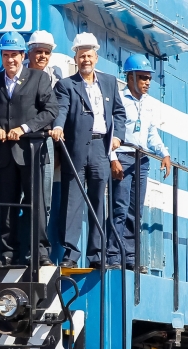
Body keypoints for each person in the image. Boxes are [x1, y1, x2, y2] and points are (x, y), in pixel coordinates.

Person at [51, 33, 125, 269]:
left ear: (96, 57)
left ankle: (96, 254)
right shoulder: (66, 85)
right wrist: (58, 126)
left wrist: (118, 138)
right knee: (72, 202)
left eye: (89, 56)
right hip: (75, 149)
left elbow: (119, 113)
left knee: (98, 203)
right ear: (76, 57)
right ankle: (71, 253)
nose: (86, 60)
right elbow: (61, 109)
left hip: (101, 148)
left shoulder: (110, 83)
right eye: (81, 56)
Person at [0, 31, 58, 267]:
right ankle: (6, 253)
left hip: (31, 151)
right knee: (7, 205)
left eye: (14, 55)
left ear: (22, 56)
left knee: (36, 205)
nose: (10, 60)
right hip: (5, 155)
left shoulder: (38, 78)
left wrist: (25, 128)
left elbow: (50, 111)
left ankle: (39, 253)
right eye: (6, 55)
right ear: (1, 57)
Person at [108, 54, 171, 271]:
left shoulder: (149, 105)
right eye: (143, 77)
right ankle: (114, 256)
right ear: (130, 77)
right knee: (119, 208)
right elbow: (111, 132)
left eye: (149, 78)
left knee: (136, 211)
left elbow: (151, 133)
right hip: (123, 157)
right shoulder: (119, 100)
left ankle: (131, 258)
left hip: (141, 160)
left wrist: (164, 154)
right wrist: (113, 158)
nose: (147, 82)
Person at [26, 30, 62, 226]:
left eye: (46, 52)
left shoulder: (56, 76)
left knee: (44, 194)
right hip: (21, 139)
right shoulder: (18, 73)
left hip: (45, 140)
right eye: (38, 51)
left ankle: (38, 249)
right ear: (29, 52)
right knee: (19, 195)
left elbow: (57, 109)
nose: (42, 56)